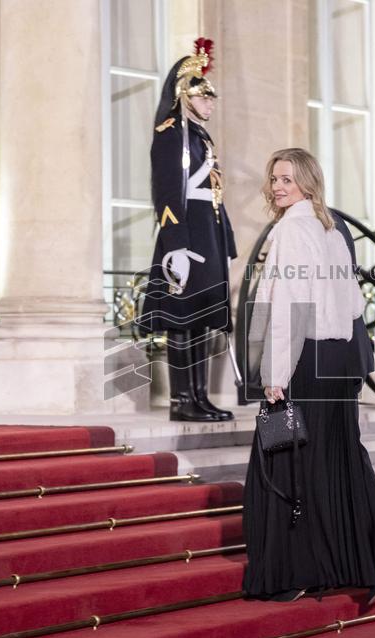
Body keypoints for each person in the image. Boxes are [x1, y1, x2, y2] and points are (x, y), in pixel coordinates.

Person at [243, 148, 375, 603]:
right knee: (340, 459)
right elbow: (354, 305)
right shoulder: (333, 227)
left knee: (283, 461)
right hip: (338, 360)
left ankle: (297, 571)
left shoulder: (293, 229)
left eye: (287, 180)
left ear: (307, 184)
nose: (277, 187)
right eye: (274, 178)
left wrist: (273, 374)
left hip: (304, 361)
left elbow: (290, 309)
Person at [137, 38, 237, 422]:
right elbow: (166, 193)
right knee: (182, 317)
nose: (211, 101)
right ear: (185, 93)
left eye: (212, 95)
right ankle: (182, 400)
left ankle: (200, 395)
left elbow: (214, 193)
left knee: (203, 317)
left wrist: (224, 239)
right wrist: (176, 246)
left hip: (207, 234)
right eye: (204, 94)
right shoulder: (170, 134)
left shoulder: (199, 137)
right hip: (184, 238)